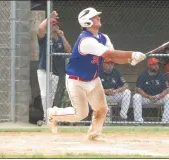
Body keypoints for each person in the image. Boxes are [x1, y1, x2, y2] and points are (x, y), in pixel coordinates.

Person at [46, 7, 146, 141]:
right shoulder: (86, 41)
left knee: (101, 108)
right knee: (80, 114)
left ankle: (93, 135)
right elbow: (109, 54)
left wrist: (129, 60)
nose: (98, 17)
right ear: (87, 22)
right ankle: (53, 114)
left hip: (93, 79)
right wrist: (132, 54)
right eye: (94, 17)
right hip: (76, 81)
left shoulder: (104, 37)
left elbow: (112, 58)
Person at [37, 11, 72, 122]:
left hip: (55, 71)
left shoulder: (60, 39)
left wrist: (62, 36)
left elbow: (69, 50)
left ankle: (48, 116)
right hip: (43, 69)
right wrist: (49, 18)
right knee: (44, 94)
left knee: (51, 95)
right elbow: (40, 29)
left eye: (55, 25)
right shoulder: (45, 37)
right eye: (52, 25)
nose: (54, 27)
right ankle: (46, 116)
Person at [133, 58, 169, 124]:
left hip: (159, 98)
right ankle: (138, 121)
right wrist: (148, 96)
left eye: (157, 64)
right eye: (154, 64)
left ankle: (165, 120)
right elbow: (139, 90)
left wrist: (159, 96)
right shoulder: (143, 75)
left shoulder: (162, 75)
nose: (156, 66)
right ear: (149, 66)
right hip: (146, 98)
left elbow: (167, 89)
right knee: (136, 96)